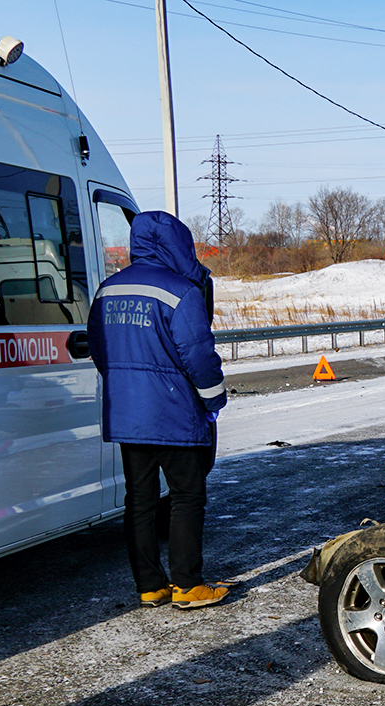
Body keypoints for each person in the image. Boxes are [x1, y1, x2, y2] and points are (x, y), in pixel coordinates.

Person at [87, 211, 230, 610]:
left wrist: (127, 387)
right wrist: (214, 399)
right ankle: (187, 585)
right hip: (174, 414)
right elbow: (199, 356)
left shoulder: (106, 290)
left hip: (127, 415)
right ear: (177, 244)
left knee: (140, 499)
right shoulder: (180, 292)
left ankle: (150, 586)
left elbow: (99, 349)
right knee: (187, 496)